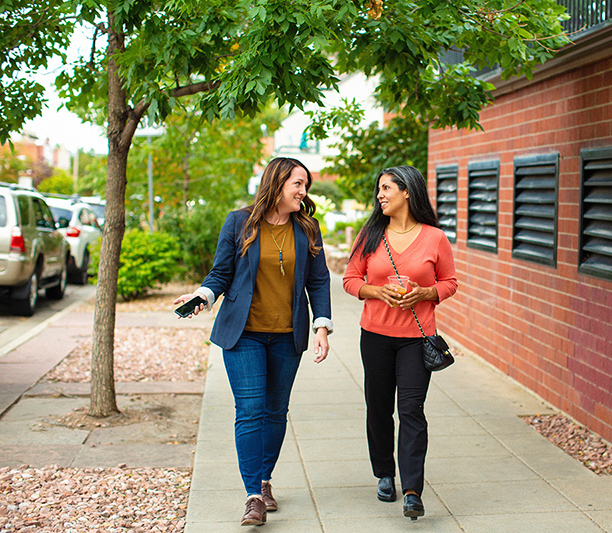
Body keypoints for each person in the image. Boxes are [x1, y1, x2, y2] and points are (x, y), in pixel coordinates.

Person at [173, 157, 333, 526]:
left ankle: (265, 479)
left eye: (305, 185)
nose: (303, 191)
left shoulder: (307, 228)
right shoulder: (239, 222)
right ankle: (253, 496)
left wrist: (321, 326)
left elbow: (320, 281)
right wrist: (202, 297)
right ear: (277, 183)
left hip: (287, 335)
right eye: (298, 184)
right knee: (250, 410)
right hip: (243, 334)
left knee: (276, 412)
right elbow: (221, 272)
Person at [343, 165, 457, 520]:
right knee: (378, 408)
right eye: (379, 189)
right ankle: (384, 474)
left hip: (415, 339)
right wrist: (377, 291)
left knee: (411, 410)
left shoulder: (435, 238)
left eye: (387, 188)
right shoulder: (371, 235)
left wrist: (426, 292)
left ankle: (412, 490)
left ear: (408, 191)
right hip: (375, 335)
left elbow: (450, 281)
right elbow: (350, 279)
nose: (380, 195)